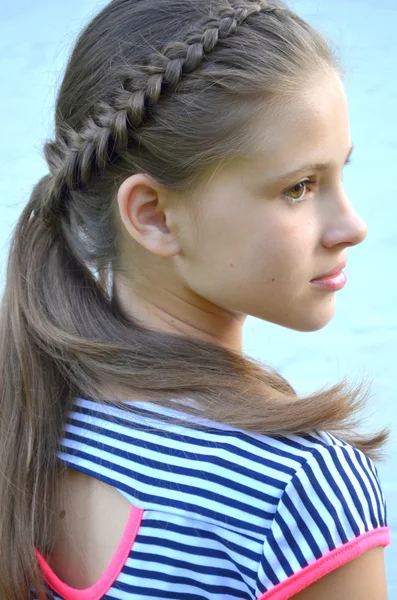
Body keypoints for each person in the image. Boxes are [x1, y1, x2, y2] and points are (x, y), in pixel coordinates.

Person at [0, 0, 391, 598]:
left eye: (341, 172)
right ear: (154, 216)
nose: (353, 225)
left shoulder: (31, 423)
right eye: (299, 187)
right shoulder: (297, 488)